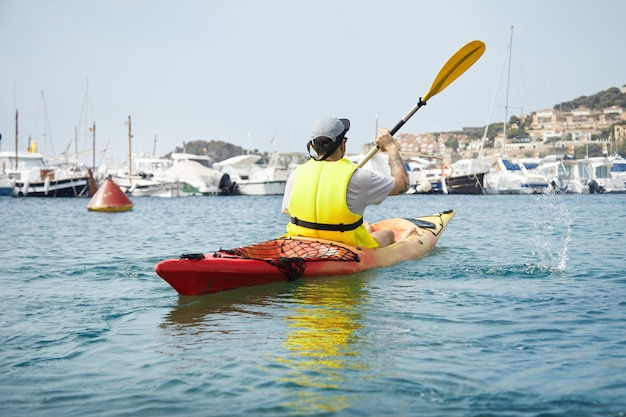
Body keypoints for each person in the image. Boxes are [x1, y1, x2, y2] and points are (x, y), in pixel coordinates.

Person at [281, 116, 412, 248]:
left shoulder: (295, 175)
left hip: (301, 245)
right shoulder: (358, 177)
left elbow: (288, 211)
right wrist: (390, 146)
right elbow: (403, 185)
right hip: (347, 247)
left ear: (313, 147)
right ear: (343, 144)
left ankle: (363, 230)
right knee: (388, 234)